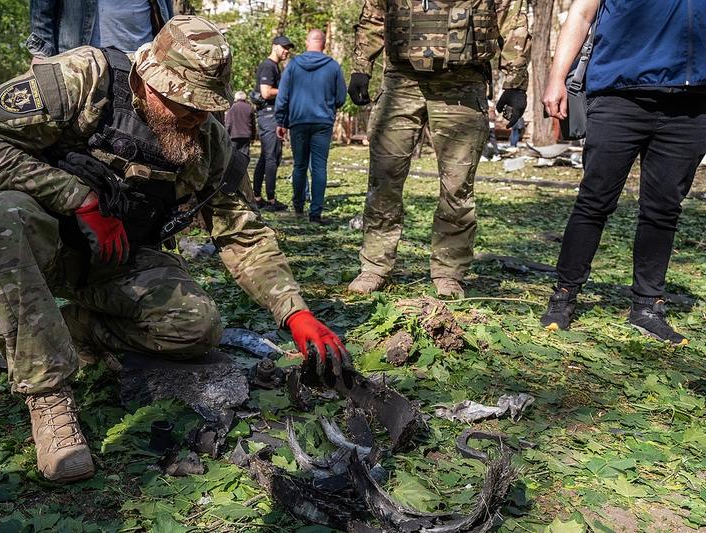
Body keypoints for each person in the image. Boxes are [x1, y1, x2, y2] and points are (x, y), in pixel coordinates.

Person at [0, 16, 351, 484]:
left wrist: (294, 312)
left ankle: (74, 329)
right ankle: (50, 400)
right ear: (147, 80)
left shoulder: (208, 144)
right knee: (3, 217)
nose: (194, 117)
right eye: (182, 104)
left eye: (204, 107)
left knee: (197, 326)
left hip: (118, 260)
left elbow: (241, 232)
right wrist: (74, 197)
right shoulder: (83, 79)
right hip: (40, 249)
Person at [540, 0, 706, 345]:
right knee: (594, 201)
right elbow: (582, 14)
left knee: (664, 210)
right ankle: (564, 296)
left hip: (692, 104)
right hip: (621, 95)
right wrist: (557, 78)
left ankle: (647, 306)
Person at [346, 0, 531, 298]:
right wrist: (361, 68)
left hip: (463, 84)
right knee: (384, 179)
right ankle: (375, 267)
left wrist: (516, 83)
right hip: (401, 83)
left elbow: (513, 22)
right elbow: (374, 15)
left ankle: (448, 272)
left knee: (457, 186)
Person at [275, 29, 346, 224]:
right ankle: (315, 214)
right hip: (323, 122)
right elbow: (341, 98)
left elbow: (283, 96)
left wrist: (280, 121)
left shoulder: (293, 65)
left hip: (298, 121)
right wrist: (328, 106)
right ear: (324, 44)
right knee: (319, 167)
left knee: (299, 165)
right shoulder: (333, 67)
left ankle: (298, 207)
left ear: (307, 43)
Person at [26, 0, 173, 58]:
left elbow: (165, 11)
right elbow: (42, 8)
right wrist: (41, 55)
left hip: (141, 62)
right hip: (83, 61)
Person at [252, 35, 294, 211]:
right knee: (272, 157)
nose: (286, 51)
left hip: (269, 116)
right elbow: (266, 92)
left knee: (265, 157)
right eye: (283, 47)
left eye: (288, 48)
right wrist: (288, 89)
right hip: (269, 117)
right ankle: (270, 200)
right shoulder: (268, 66)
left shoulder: (274, 67)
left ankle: (256, 196)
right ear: (274, 46)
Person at [225, 90, 256, 157]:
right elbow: (253, 124)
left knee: (233, 155)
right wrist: (253, 137)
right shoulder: (249, 108)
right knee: (244, 155)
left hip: (234, 135)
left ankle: (234, 167)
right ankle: (243, 167)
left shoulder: (232, 108)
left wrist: (226, 135)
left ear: (236, 98)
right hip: (246, 136)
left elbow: (228, 123)